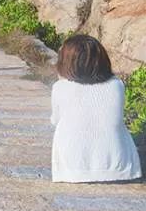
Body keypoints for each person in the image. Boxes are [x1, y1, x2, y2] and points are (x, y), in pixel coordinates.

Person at [50, 35, 141, 183]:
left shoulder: (60, 88)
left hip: (72, 168)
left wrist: (63, 79)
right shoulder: (116, 85)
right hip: (119, 167)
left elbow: (56, 120)